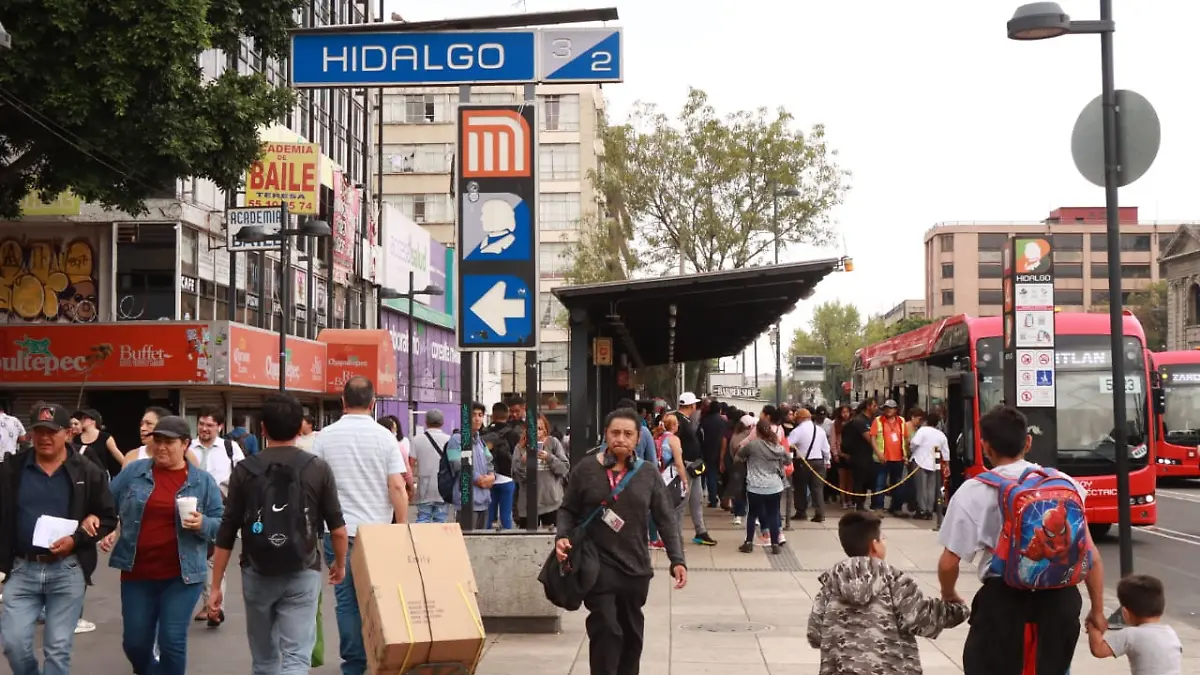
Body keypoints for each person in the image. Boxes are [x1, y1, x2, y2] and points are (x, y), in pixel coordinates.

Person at [938, 406, 1106, 675]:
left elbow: (949, 562)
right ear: (1028, 441)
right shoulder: (1064, 483)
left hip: (1003, 603)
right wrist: (1097, 610)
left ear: (986, 446)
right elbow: (1091, 556)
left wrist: (949, 594)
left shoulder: (974, 489)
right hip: (1060, 602)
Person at [211, 393, 349, 675]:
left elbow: (227, 530)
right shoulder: (317, 468)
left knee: (264, 660)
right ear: (301, 427)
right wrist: (340, 564)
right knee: (297, 657)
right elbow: (338, 527)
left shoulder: (244, 470)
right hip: (303, 568)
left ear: (262, 428)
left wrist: (215, 586)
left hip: (257, 570)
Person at [555, 408, 687, 675]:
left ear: (639, 438)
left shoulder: (648, 473)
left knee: (630, 632)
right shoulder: (586, 469)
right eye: (615, 432)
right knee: (605, 628)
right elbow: (567, 509)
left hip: (634, 566)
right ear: (606, 434)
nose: (621, 439)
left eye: (628, 434)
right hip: (596, 563)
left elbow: (665, 519)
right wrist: (562, 538)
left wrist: (677, 560)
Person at [0, 403, 115, 675]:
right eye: (38, 431)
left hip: (67, 569)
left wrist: (79, 537)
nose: (44, 438)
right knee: (14, 643)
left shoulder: (87, 471)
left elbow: (107, 517)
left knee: (58, 648)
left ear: (68, 433)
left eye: (52, 431)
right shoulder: (11, 470)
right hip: (21, 568)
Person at [105, 415, 224, 675]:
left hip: (182, 575)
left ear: (185, 444)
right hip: (137, 572)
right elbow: (106, 503)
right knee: (135, 644)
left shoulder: (203, 482)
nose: (161, 447)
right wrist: (104, 528)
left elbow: (222, 523)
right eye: (157, 440)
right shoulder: (134, 473)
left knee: (172, 640)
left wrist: (203, 523)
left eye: (168, 442)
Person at [312, 376, 408, 675]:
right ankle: (382, 656)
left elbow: (315, 486)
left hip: (338, 533)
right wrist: (401, 526)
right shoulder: (385, 438)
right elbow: (396, 486)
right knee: (380, 597)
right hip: (378, 534)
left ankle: (354, 665)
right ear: (373, 403)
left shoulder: (324, 437)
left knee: (346, 601)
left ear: (343, 401)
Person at [807, 511, 969, 674]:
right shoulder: (896, 581)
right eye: (882, 538)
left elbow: (815, 633)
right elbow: (923, 618)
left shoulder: (830, 585)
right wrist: (958, 609)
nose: (885, 541)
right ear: (874, 545)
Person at [1087, 574, 1182, 674]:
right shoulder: (1171, 633)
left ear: (1125, 613)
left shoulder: (1130, 634)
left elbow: (1098, 650)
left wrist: (1093, 624)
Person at [736, 419, 791, 554]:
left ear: (757, 431)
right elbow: (788, 460)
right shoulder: (778, 447)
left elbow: (740, 454)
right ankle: (775, 544)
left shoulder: (753, 445)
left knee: (752, 514)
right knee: (773, 514)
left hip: (755, 486)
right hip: (774, 486)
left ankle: (748, 542)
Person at [674, 392, 716, 546]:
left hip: (694, 465)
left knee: (696, 499)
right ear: (691, 406)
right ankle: (676, 537)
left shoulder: (685, 420)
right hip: (685, 465)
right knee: (682, 501)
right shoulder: (679, 421)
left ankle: (701, 531)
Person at [512, 416, 569, 529]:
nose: (536, 432)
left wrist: (549, 457)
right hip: (529, 504)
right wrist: (523, 462)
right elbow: (517, 476)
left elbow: (564, 469)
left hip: (552, 501)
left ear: (545, 430)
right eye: (532, 429)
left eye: (540, 428)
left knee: (551, 537)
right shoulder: (520, 447)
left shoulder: (553, 443)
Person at [409, 409, 453, 523]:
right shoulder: (449, 440)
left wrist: (409, 486)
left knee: (423, 518)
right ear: (442, 423)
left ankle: (422, 540)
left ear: (426, 422)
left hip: (424, 487)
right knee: (441, 519)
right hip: (444, 487)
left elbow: (410, 464)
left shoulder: (416, 440)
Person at [789, 408, 831, 523]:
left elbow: (787, 444)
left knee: (800, 488)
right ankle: (819, 514)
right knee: (817, 489)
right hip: (819, 462)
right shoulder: (820, 430)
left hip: (803, 462)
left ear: (801, 419)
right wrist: (828, 461)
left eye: (797, 419)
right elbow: (826, 449)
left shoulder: (798, 431)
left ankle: (801, 512)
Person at [871, 400, 910, 516]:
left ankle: (896, 507)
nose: (888, 410)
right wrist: (878, 453)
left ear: (896, 410)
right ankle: (878, 507)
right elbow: (873, 438)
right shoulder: (878, 421)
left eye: (891, 408)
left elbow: (905, 439)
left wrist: (906, 455)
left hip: (898, 458)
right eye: (886, 408)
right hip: (882, 458)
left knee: (897, 484)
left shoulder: (901, 421)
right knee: (880, 484)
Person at [909, 411, 948, 520]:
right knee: (932, 488)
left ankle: (922, 509)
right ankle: (929, 511)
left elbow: (914, 443)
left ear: (927, 421)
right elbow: (946, 452)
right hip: (934, 464)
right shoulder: (941, 435)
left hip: (920, 462)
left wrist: (912, 450)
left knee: (921, 488)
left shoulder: (922, 430)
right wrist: (946, 464)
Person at [844, 400, 878, 511]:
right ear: (868, 407)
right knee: (859, 481)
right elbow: (869, 438)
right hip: (859, 455)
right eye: (874, 405)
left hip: (869, 456)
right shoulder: (860, 421)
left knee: (867, 481)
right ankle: (859, 504)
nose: (876, 408)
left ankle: (862, 503)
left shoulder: (871, 420)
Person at [697, 399, 727, 509]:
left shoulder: (704, 421)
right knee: (720, 476)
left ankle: (713, 500)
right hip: (721, 451)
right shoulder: (724, 422)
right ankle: (723, 497)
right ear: (719, 410)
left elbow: (699, 437)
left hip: (707, 451)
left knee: (710, 476)